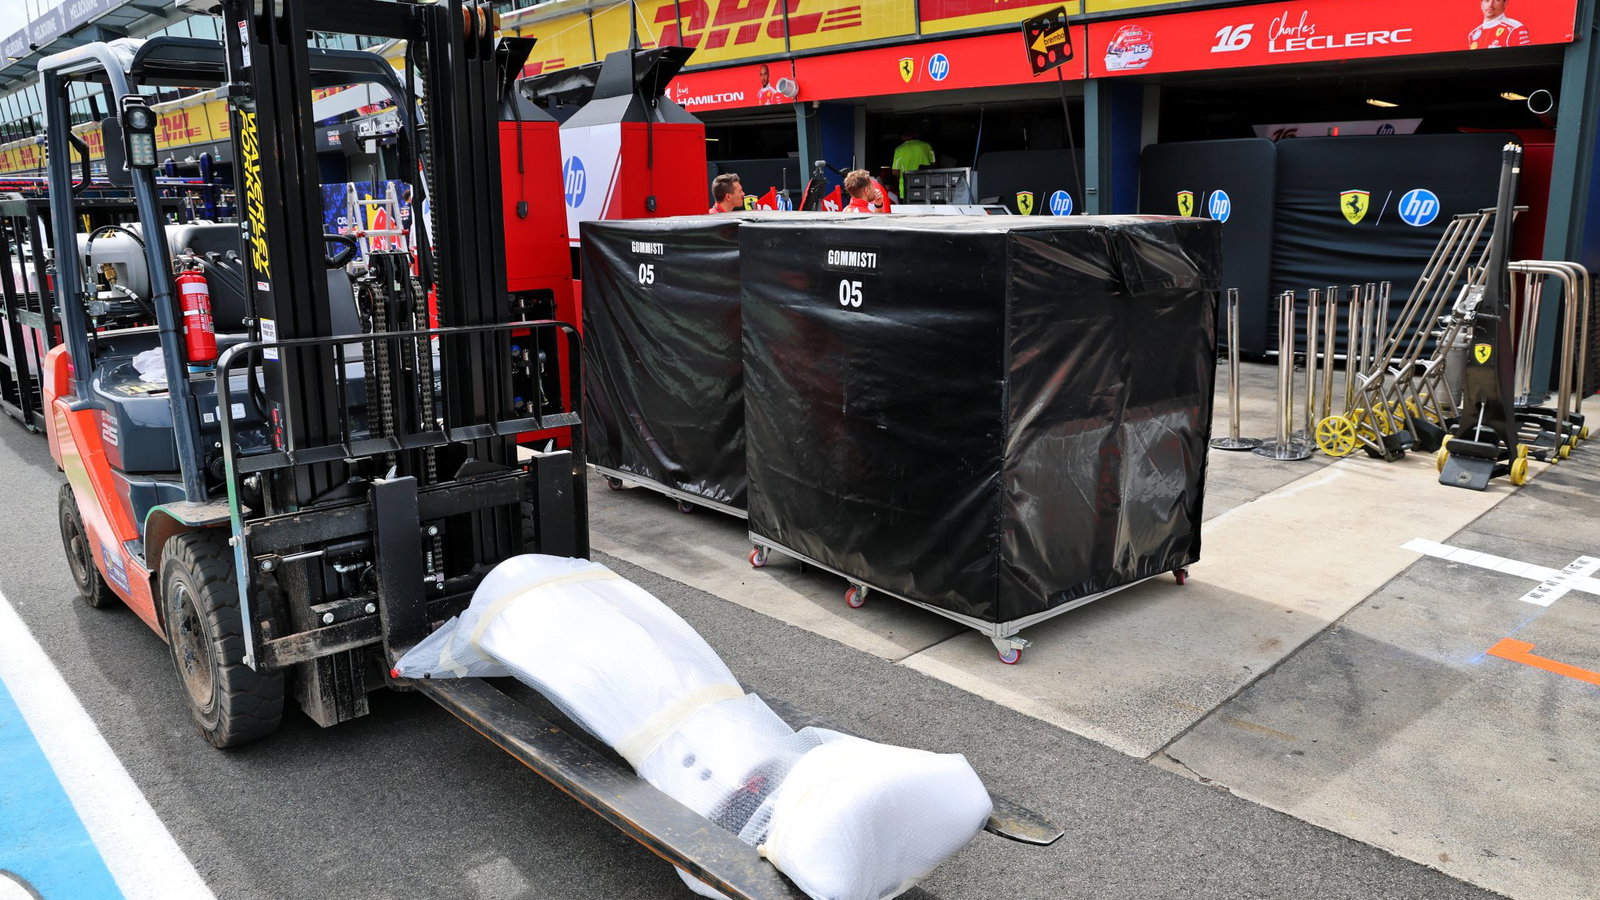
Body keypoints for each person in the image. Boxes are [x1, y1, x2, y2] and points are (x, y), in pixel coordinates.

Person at [890, 129, 935, 199]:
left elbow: (895, 172)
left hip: (906, 188)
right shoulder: (927, 146)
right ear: (913, 135)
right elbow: (933, 164)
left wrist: (902, 174)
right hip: (926, 186)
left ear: (902, 137)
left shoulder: (899, 150)